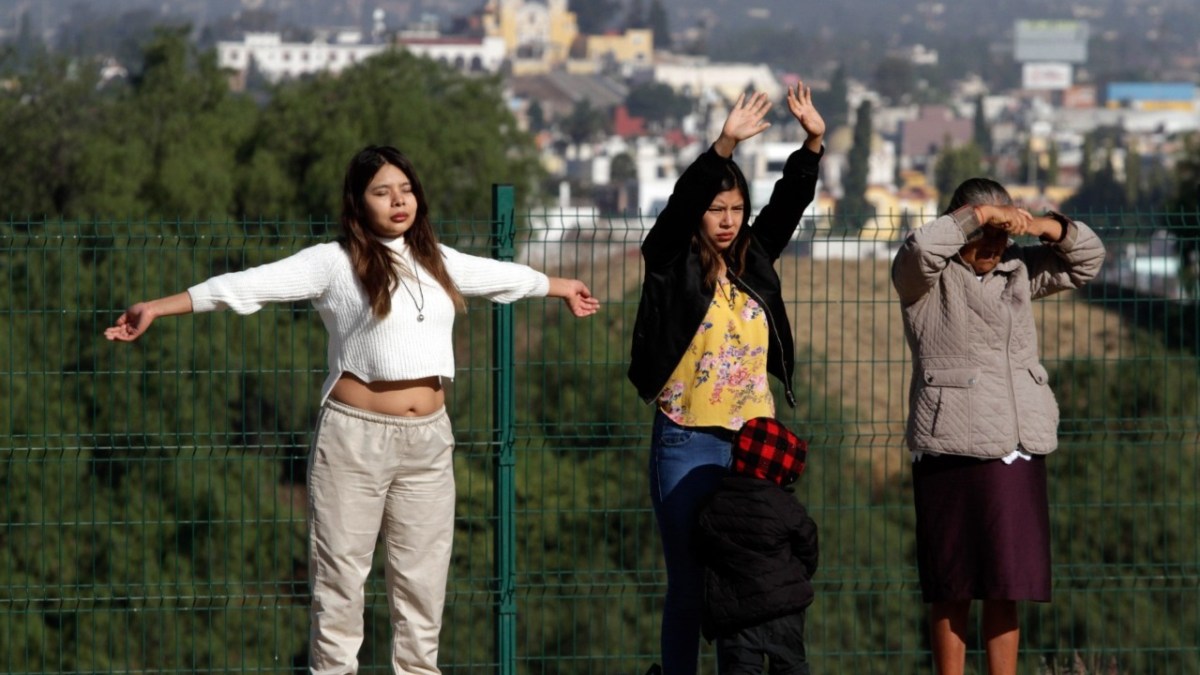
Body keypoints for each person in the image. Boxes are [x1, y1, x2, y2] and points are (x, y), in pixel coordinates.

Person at [105, 145, 600, 674]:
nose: (398, 201)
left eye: (405, 189)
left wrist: (561, 287)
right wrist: (158, 306)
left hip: (430, 441)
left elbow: (503, 276)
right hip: (354, 440)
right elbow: (248, 286)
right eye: (382, 192)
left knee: (422, 586)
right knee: (340, 583)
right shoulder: (332, 262)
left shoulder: (438, 260)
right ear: (358, 202)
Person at [628, 84, 825, 675]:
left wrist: (813, 142)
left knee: (751, 578)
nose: (727, 220)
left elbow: (790, 202)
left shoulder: (755, 256)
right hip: (687, 439)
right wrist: (724, 146)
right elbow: (679, 210)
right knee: (689, 579)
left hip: (751, 449)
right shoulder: (669, 261)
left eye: (736, 209)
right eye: (717, 210)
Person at [890, 178, 1105, 675]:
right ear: (961, 224)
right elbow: (921, 246)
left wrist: (1040, 223)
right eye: (983, 234)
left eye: (1000, 237)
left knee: (1008, 581)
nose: (992, 248)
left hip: (1016, 442)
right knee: (952, 584)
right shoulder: (923, 279)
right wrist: (982, 215)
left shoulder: (1018, 269)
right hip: (950, 445)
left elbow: (1088, 260)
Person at [693, 416, 818, 675]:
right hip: (785, 612)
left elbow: (701, 548)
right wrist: (795, 575)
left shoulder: (713, 504)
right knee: (791, 666)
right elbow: (808, 545)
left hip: (737, 616)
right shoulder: (785, 506)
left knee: (740, 669)